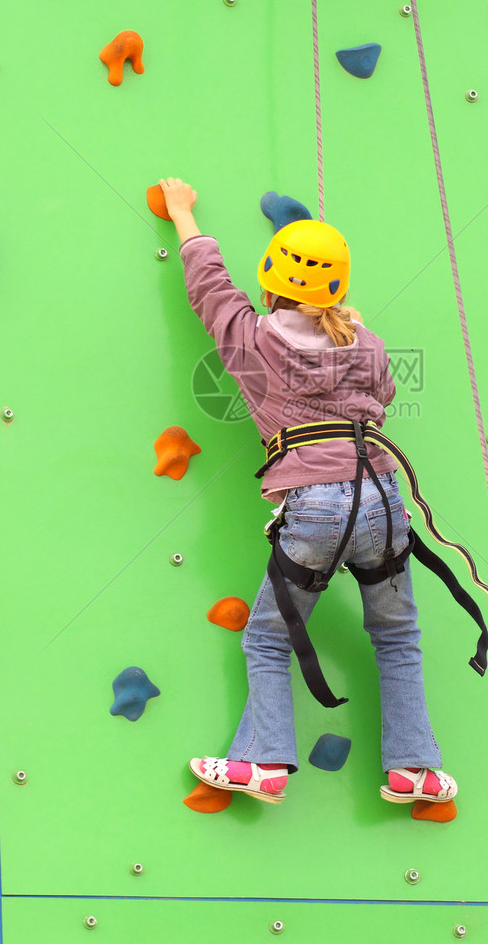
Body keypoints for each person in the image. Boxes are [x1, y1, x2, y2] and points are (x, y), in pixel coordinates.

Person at [161, 177, 456, 808]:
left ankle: (263, 765)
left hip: (316, 504)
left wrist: (184, 212)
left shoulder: (251, 340)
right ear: (338, 287)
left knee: (268, 637)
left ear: (270, 280)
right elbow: (383, 397)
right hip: (382, 498)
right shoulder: (365, 342)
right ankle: (417, 771)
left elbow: (208, 284)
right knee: (398, 636)